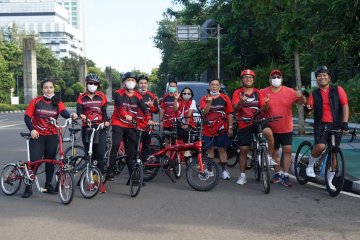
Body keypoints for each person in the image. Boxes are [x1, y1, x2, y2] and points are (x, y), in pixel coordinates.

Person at [23, 79, 77, 198]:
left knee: (51, 161)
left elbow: (64, 112)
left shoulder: (57, 102)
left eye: (51, 87)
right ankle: (28, 186)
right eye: (46, 87)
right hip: (38, 135)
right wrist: (32, 129)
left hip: (52, 135)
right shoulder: (36, 101)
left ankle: (48, 185)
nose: (48, 89)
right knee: (35, 161)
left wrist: (71, 115)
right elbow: (27, 117)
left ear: (54, 89)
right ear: (42, 89)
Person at [305, 66, 349, 190]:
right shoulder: (314, 94)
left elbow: (345, 105)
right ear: (317, 79)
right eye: (319, 76)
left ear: (329, 78)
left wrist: (345, 123)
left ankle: (329, 182)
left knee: (334, 154)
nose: (322, 77)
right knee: (320, 146)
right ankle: (310, 165)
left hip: (336, 125)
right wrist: (307, 108)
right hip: (321, 125)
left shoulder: (338, 90)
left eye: (324, 75)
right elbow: (308, 111)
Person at [261, 69, 306, 187]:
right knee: (275, 151)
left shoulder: (290, 92)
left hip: (286, 127)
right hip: (271, 128)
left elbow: (301, 102)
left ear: (281, 78)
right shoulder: (263, 92)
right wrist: (265, 103)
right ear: (269, 79)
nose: (276, 79)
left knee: (287, 151)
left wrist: (301, 96)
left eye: (278, 76)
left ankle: (285, 175)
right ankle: (277, 173)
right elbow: (262, 110)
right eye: (273, 76)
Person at [232, 69, 275, 185]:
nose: (248, 79)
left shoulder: (258, 92)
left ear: (253, 80)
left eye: (250, 77)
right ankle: (242, 176)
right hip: (244, 123)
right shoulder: (237, 93)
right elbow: (235, 109)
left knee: (269, 134)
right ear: (242, 80)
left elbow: (264, 110)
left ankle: (269, 158)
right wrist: (241, 102)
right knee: (244, 150)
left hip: (258, 121)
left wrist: (266, 103)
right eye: (245, 77)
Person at [107, 72, 150, 182]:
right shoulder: (118, 93)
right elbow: (120, 108)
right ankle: (110, 170)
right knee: (116, 144)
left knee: (131, 152)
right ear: (124, 83)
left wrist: (145, 122)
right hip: (118, 123)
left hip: (131, 125)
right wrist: (126, 115)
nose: (130, 82)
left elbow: (146, 111)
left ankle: (134, 178)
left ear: (135, 83)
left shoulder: (138, 96)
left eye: (133, 80)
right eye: (128, 80)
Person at [77, 73, 110, 193]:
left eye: (95, 83)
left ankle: (99, 182)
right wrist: (82, 116)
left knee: (100, 156)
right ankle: (90, 180)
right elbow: (79, 111)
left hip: (100, 128)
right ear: (86, 84)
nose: (92, 85)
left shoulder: (101, 96)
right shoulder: (81, 97)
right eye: (90, 83)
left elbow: (105, 112)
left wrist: (106, 121)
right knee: (90, 156)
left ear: (98, 85)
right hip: (87, 128)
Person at [200, 78, 234, 180]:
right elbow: (204, 113)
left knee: (222, 149)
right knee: (210, 150)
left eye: (216, 84)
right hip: (208, 129)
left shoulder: (225, 98)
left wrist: (231, 127)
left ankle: (224, 170)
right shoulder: (204, 98)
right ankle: (209, 170)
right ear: (209, 86)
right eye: (212, 84)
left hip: (222, 128)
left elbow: (230, 113)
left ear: (219, 86)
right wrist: (209, 103)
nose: (214, 86)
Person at [137, 74, 159, 151]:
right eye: (141, 83)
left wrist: (151, 106)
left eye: (145, 83)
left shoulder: (152, 96)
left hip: (147, 126)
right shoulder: (133, 95)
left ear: (147, 84)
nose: (143, 85)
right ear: (137, 84)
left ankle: (144, 161)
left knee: (146, 148)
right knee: (134, 146)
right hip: (134, 125)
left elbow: (156, 111)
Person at [173, 87, 197, 159]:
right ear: (182, 94)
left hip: (188, 122)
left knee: (186, 131)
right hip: (178, 122)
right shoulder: (179, 101)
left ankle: (187, 150)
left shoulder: (192, 102)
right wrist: (176, 99)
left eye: (188, 93)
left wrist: (186, 124)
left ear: (191, 95)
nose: (186, 94)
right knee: (175, 135)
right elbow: (175, 109)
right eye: (185, 93)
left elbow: (189, 114)